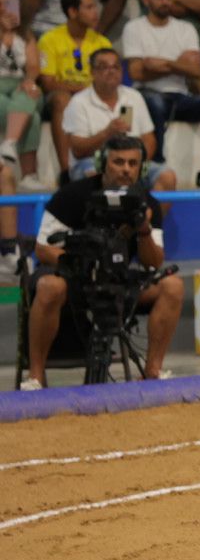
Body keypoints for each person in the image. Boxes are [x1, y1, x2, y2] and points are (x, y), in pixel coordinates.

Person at [22, 135, 183, 390]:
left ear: (141, 169)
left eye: (133, 163)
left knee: (172, 286)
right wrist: (81, 263)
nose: (126, 169)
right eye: (119, 162)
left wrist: (143, 230)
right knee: (50, 286)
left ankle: (152, 371)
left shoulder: (147, 203)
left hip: (118, 280)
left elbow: (153, 263)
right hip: (73, 277)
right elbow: (43, 250)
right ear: (102, 164)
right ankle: (35, 377)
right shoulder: (71, 195)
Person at [123, 0, 200, 188]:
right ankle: (157, 165)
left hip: (181, 96)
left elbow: (196, 71)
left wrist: (161, 63)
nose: (165, 1)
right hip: (146, 93)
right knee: (155, 103)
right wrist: (180, 63)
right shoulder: (134, 28)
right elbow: (136, 73)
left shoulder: (185, 28)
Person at [60, 50, 174, 190]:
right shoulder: (79, 102)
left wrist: (137, 164)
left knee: (167, 176)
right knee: (96, 174)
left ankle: (147, 206)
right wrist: (107, 133)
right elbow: (78, 150)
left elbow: (149, 140)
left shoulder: (134, 97)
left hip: (132, 162)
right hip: (94, 162)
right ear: (92, 72)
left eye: (115, 67)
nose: (111, 71)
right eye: (104, 67)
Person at [38, 0, 112, 174]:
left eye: (95, 6)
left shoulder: (102, 42)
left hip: (93, 96)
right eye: (89, 7)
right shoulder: (49, 39)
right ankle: (66, 171)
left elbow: (110, 81)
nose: (96, 12)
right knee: (62, 99)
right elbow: (48, 83)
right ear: (72, 12)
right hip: (60, 97)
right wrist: (82, 89)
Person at [0, 0, 41, 182]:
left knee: (31, 92)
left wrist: (29, 80)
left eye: (10, 3)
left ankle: (9, 143)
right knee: (32, 117)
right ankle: (29, 175)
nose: (6, 8)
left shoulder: (25, 33)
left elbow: (33, 66)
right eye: (1, 4)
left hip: (20, 85)